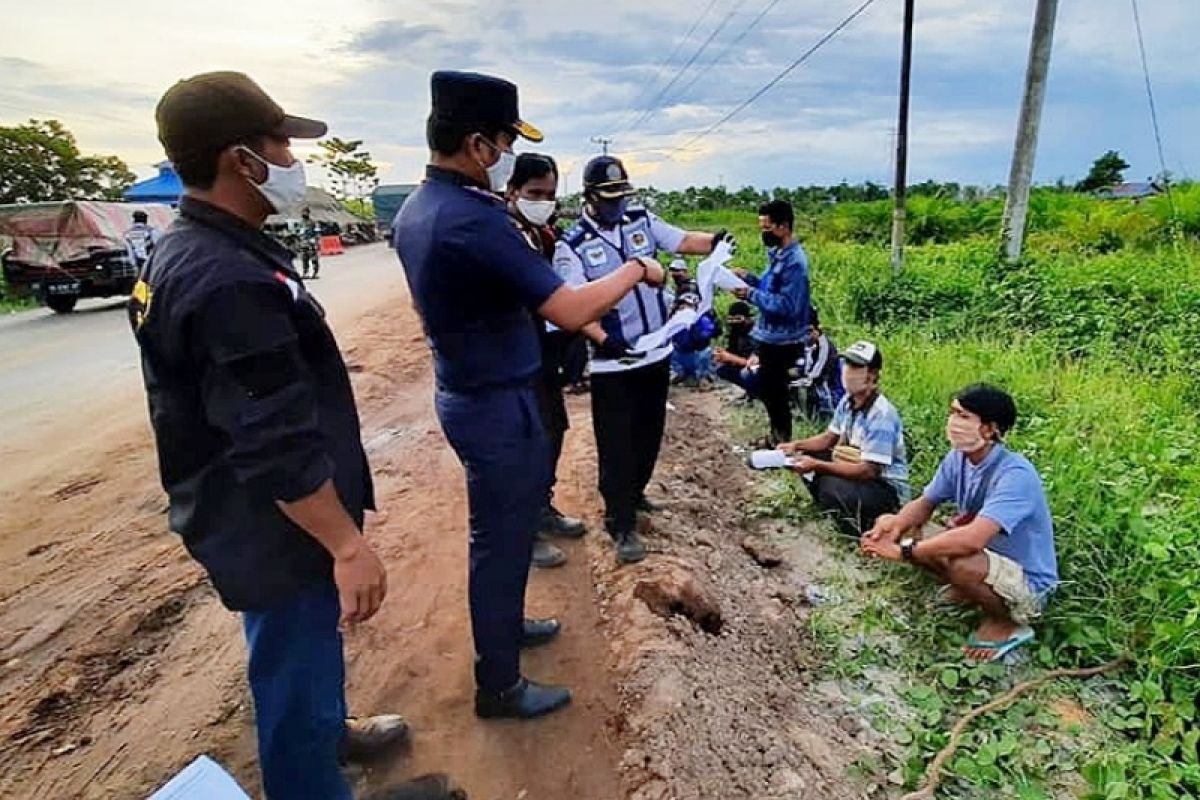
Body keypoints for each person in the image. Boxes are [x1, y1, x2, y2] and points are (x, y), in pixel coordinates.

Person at [128, 71, 456, 800]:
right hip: (270, 520)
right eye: (279, 143)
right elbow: (271, 442)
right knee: (292, 657)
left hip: (252, 508)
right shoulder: (225, 279)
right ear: (241, 160)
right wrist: (346, 544)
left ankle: (330, 730)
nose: (290, 157)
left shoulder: (203, 250)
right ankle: (313, 779)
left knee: (303, 650)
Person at [394, 71, 668, 719]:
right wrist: (638, 268)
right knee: (499, 539)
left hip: (471, 388)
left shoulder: (421, 208)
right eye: (506, 141)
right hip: (495, 402)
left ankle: (507, 627)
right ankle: (500, 686)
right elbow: (571, 309)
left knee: (507, 533)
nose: (510, 154)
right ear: (478, 146)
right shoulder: (470, 219)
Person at [554, 155, 734, 563]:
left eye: (622, 195)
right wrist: (605, 340)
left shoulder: (640, 220)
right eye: (609, 197)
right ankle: (620, 522)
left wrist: (716, 241)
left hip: (655, 353)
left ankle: (635, 496)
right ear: (590, 197)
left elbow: (683, 240)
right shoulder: (573, 245)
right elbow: (574, 305)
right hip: (613, 363)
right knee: (616, 443)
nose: (617, 203)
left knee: (649, 435)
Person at [862, 384, 1058, 663]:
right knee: (915, 530)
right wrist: (895, 525)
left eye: (964, 416)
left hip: (1028, 581)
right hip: (990, 557)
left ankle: (1007, 622)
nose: (953, 422)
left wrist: (905, 552)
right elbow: (926, 502)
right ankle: (971, 590)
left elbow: (972, 540)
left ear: (989, 429)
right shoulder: (959, 459)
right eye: (953, 413)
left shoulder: (1016, 475)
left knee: (960, 560)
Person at [505, 152, 587, 570]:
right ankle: (525, 530)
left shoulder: (544, 235)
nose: (544, 201)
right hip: (512, 357)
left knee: (553, 428)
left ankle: (543, 504)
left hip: (542, 350)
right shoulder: (506, 236)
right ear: (512, 191)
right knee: (526, 443)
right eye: (535, 193)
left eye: (550, 194)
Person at [779, 340, 909, 537]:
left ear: (872, 374)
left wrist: (818, 466)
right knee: (802, 456)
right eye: (847, 364)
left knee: (830, 485)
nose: (848, 371)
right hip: (854, 463)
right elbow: (829, 437)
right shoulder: (847, 401)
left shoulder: (881, 415)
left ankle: (858, 524)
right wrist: (795, 445)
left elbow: (869, 471)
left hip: (885, 487)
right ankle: (834, 504)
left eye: (856, 366)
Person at [733, 199, 810, 446]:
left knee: (775, 391)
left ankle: (781, 439)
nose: (763, 233)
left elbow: (789, 306)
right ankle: (777, 436)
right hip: (770, 336)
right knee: (769, 388)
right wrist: (751, 280)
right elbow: (771, 289)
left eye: (767, 228)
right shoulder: (778, 255)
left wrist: (751, 295)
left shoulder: (795, 263)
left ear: (784, 227)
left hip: (784, 340)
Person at [790, 311, 842, 421]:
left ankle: (822, 418)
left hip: (829, 391)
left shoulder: (825, 348)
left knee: (806, 388)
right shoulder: (806, 346)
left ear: (813, 330)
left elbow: (817, 376)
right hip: (814, 383)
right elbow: (800, 367)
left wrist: (803, 378)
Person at [669, 282, 720, 387]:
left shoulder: (703, 319)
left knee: (706, 352)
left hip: (698, 354)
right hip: (681, 353)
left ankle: (704, 377)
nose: (686, 308)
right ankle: (679, 374)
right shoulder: (674, 319)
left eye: (689, 306)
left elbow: (711, 333)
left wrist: (695, 329)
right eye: (683, 305)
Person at [713, 300, 759, 399]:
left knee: (746, 373)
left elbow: (755, 363)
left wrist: (731, 358)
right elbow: (733, 352)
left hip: (758, 369)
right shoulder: (736, 333)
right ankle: (750, 392)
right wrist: (722, 355)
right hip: (746, 366)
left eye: (738, 319)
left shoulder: (756, 334)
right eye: (731, 319)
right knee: (722, 369)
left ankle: (758, 393)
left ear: (747, 318)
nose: (734, 322)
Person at [299, 207, 321, 279]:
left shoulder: (313, 222)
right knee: (304, 259)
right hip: (303, 243)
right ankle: (305, 273)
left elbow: (317, 232)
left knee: (314, 259)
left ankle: (315, 273)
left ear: (308, 213)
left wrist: (317, 242)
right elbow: (298, 232)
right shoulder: (300, 223)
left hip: (311, 243)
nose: (303, 214)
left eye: (305, 212)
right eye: (302, 212)